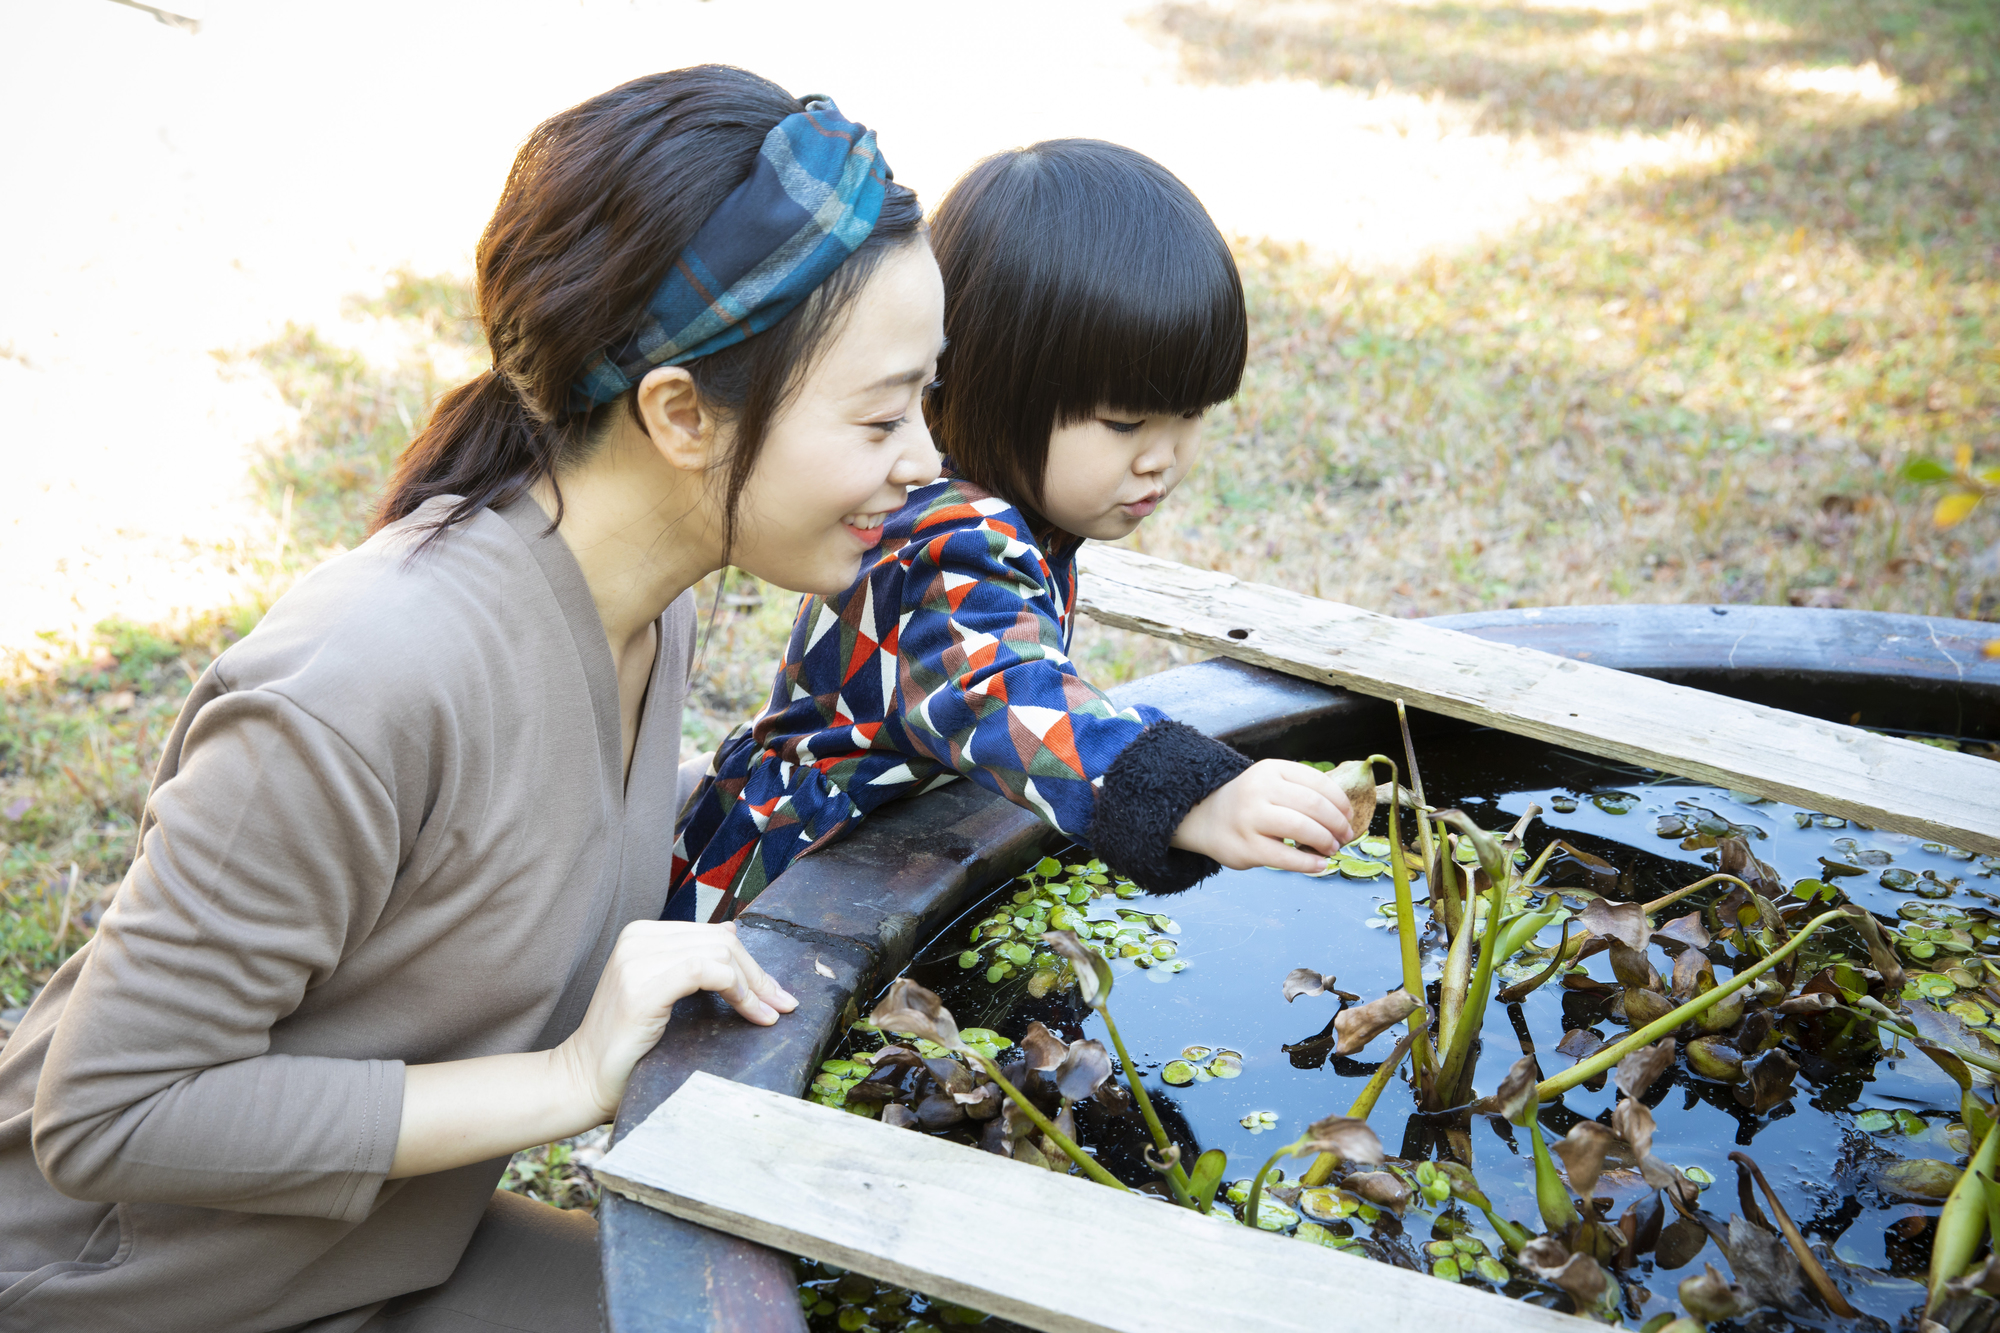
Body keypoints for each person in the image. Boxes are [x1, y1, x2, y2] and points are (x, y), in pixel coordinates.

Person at [0, 66, 945, 1333]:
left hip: (380, 1259)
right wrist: (564, 1077)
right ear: (680, 415)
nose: (924, 460)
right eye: (882, 416)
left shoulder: (638, 596)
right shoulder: (363, 680)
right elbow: (112, 1112)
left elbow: (533, 843)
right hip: (122, 1295)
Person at [672, 139, 1356, 923]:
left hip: (866, 852)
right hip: (777, 893)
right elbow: (1004, 689)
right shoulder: (954, 537)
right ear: (998, 385)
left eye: (1191, 415)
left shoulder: (1002, 509)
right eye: (1127, 421)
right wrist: (1193, 793)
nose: (1162, 458)